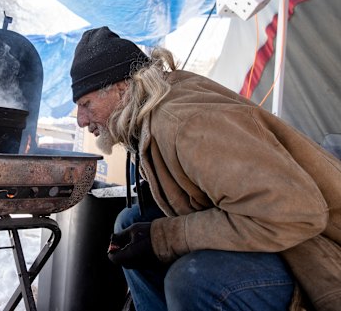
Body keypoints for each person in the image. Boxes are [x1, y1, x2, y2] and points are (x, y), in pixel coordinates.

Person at [70, 26, 341, 311]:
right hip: (279, 242)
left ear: (121, 88)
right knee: (130, 223)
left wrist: (166, 237)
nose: (80, 120)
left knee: (190, 279)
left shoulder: (186, 124)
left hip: (312, 256)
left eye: (86, 104)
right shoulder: (154, 111)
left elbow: (298, 215)